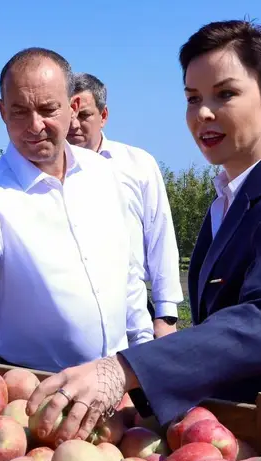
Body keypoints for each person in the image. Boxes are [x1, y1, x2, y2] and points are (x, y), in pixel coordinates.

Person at [0, 20, 261, 444]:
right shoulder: (230, 197)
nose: (203, 113)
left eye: (226, 94)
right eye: (193, 98)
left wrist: (125, 368)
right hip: (235, 425)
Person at [0, 48, 153, 372]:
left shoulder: (106, 175)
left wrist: (144, 351)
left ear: (72, 107)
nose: (35, 126)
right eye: (20, 112)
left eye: (48, 109)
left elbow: (127, 273)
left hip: (117, 380)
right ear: (2, 112)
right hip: (34, 388)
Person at [67, 73, 184, 338]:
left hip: (130, 306)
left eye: (84, 115)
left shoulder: (136, 164)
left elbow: (160, 236)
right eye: (69, 115)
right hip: (69, 309)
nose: (74, 125)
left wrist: (165, 315)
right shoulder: (42, 173)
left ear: (103, 115)